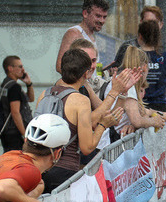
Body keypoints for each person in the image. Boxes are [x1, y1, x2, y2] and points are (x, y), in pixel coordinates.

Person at [39, 48, 137, 192]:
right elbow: (87, 147)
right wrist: (103, 125)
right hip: (65, 173)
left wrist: (119, 93)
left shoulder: (45, 94)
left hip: (40, 171)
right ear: (85, 74)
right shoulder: (80, 100)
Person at [101, 44, 166, 142]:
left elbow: (144, 114)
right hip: (113, 140)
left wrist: (151, 115)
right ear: (145, 67)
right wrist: (153, 121)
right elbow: (137, 120)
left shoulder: (122, 80)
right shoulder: (128, 85)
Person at [111, 5, 166, 74]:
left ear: (161, 25)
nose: (150, 26)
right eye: (147, 22)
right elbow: (116, 72)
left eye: (154, 23)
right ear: (141, 23)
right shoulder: (127, 47)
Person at [55, 0, 108, 74]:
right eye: (98, 16)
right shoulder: (74, 33)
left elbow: (92, 71)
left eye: (104, 17)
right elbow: (60, 66)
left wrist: (104, 72)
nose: (102, 21)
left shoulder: (92, 36)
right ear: (85, 13)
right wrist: (82, 80)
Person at [137, 19, 166, 113]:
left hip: (139, 104)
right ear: (158, 37)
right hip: (160, 105)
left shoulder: (135, 56)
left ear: (140, 36)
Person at [0, 55, 35, 152]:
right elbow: (15, 112)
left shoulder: (5, 84)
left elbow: (31, 98)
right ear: (10, 68)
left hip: (8, 133)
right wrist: (25, 135)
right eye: (20, 66)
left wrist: (28, 84)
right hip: (15, 134)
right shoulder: (14, 87)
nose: (23, 70)